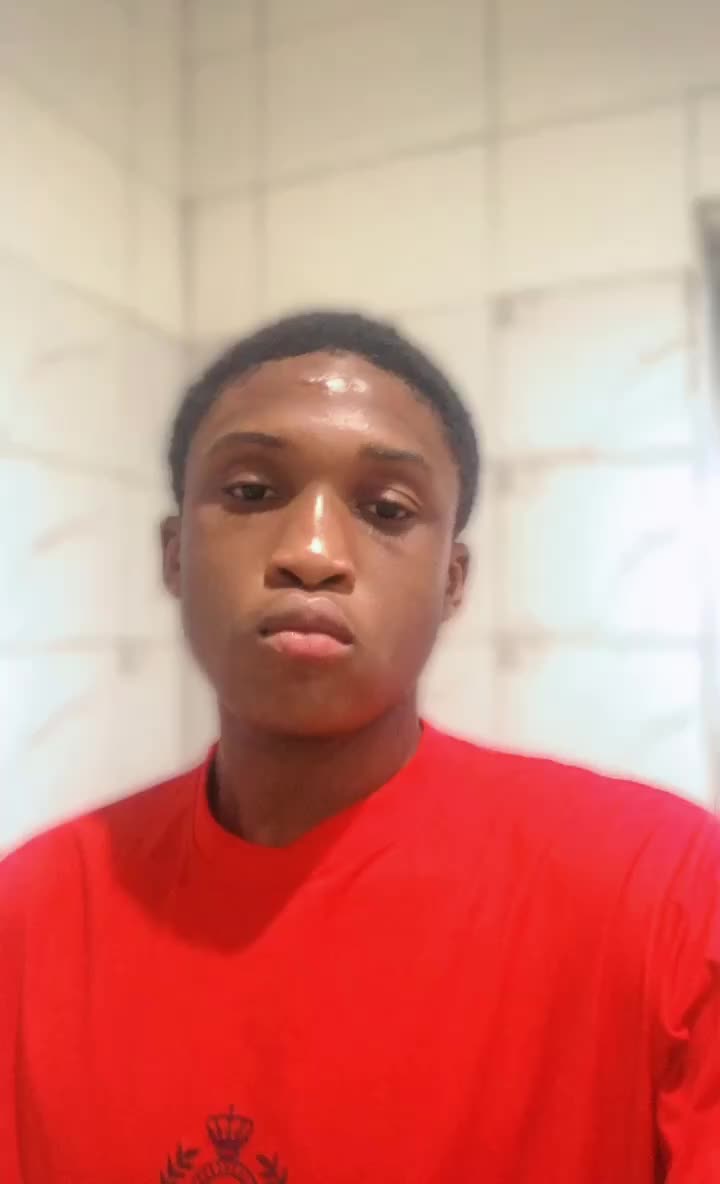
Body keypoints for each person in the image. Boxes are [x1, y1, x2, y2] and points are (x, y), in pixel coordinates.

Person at [1, 310, 718, 1183]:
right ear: (175, 555)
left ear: (452, 582)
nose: (311, 554)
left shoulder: (668, 895)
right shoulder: (29, 916)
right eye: (251, 493)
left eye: (385, 509)